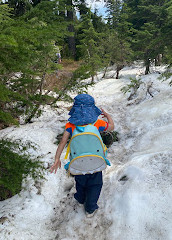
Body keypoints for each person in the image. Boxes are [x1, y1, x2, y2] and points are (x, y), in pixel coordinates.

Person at [50, 94, 114, 217]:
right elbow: (111, 127)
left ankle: (80, 198)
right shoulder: (97, 123)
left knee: (80, 181)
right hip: (96, 161)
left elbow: (63, 142)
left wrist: (57, 158)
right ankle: (90, 208)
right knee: (95, 184)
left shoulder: (70, 125)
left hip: (78, 162)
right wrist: (108, 116)